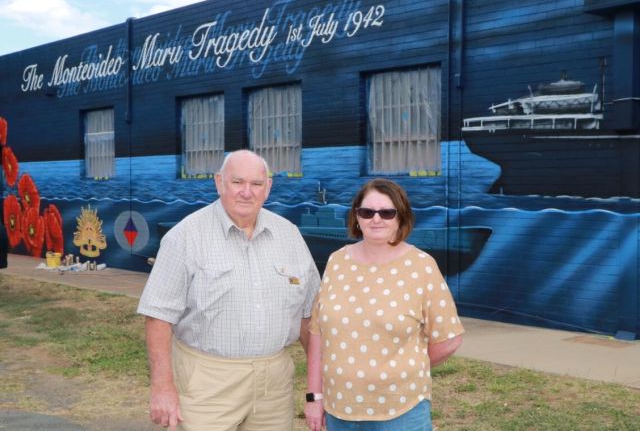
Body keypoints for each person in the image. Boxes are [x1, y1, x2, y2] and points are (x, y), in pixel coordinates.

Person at [138, 149, 321, 431]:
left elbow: (311, 318)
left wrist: (318, 389)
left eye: (256, 184)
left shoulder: (289, 236)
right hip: (206, 383)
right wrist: (162, 387)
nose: (246, 192)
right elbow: (158, 317)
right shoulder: (185, 237)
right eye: (237, 182)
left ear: (268, 188)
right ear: (219, 182)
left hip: (274, 385)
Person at [304, 178, 464, 431]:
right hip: (339, 410)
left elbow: (449, 339)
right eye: (367, 212)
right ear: (357, 217)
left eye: (387, 212)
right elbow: (317, 333)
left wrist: (404, 369)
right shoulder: (337, 262)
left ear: (401, 217)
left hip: (401, 410)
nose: (376, 219)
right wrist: (314, 397)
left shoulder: (422, 266)